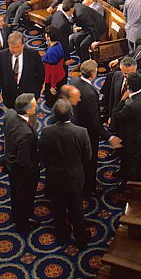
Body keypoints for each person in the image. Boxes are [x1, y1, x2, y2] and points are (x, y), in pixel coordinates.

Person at [39, 99, 92, 247]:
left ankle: (61, 236)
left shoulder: (46, 131)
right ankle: (81, 238)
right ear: (71, 114)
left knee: (58, 209)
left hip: (54, 178)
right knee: (76, 208)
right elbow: (87, 157)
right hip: (74, 177)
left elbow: (42, 155)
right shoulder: (81, 132)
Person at [3, 92, 40, 233]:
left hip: (10, 162)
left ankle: (17, 214)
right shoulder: (26, 133)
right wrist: (34, 168)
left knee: (15, 193)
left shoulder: (9, 114)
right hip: (22, 171)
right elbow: (23, 161)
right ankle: (23, 224)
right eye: (34, 104)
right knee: (24, 197)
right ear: (28, 110)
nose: (36, 106)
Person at [66, 61, 102, 196]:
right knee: (90, 160)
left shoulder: (74, 80)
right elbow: (94, 122)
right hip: (87, 132)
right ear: (94, 74)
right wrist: (108, 136)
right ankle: (89, 187)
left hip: (75, 123)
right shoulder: (91, 94)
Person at [109, 72, 141, 185]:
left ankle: (129, 185)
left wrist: (122, 100)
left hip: (132, 137)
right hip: (137, 132)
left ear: (128, 86)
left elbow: (117, 114)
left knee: (132, 162)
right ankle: (123, 172)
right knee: (127, 158)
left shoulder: (131, 104)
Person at [0, 31, 45, 108]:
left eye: (17, 47)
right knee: (11, 118)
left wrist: (36, 92)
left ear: (23, 45)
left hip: (28, 98)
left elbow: (41, 74)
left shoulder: (33, 55)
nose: (15, 50)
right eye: (12, 47)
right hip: (9, 98)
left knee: (30, 119)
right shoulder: (2, 55)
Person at [42, 25, 67, 106]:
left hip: (53, 79)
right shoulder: (59, 44)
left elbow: (53, 70)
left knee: (51, 101)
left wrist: (52, 86)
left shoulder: (51, 52)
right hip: (61, 75)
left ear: (49, 37)